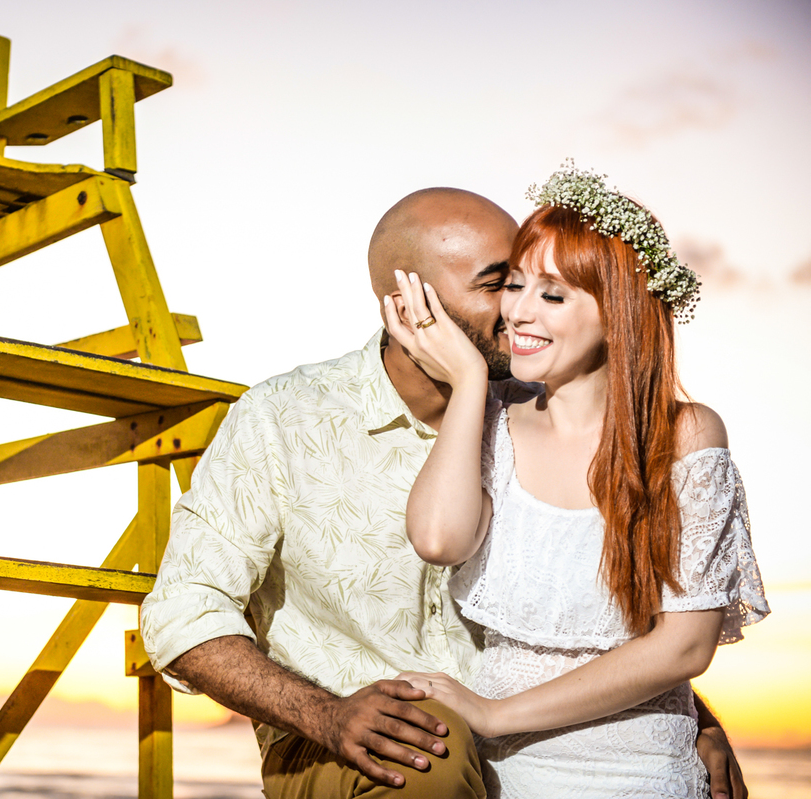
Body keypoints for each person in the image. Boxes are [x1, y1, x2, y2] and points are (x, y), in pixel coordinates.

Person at [141, 186, 750, 798]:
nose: (516, 308)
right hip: (346, 737)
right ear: (404, 303)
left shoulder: (530, 413)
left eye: (536, 284)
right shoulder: (283, 417)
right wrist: (326, 715)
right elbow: (182, 613)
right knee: (431, 751)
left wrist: (690, 716)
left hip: (514, 734)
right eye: (500, 284)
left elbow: (582, 612)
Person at [383, 165, 769, 797]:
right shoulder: (492, 424)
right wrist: (471, 384)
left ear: (617, 315)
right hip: (502, 773)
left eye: (553, 296)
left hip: (640, 768)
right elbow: (437, 539)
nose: (517, 313)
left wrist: (492, 714)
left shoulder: (688, 436)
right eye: (513, 286)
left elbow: (684, 648)